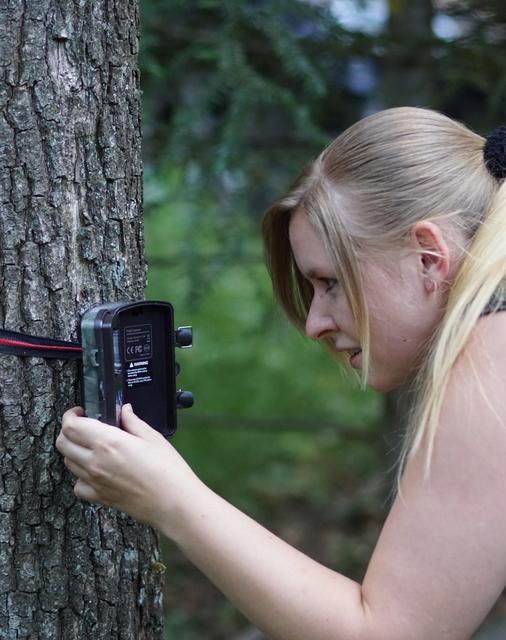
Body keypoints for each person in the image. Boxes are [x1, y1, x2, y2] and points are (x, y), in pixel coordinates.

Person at [56, 107, 506, 639]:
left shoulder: (493, 362)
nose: (315, 324)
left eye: (330, 282)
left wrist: (171, 498)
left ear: (429, 257)